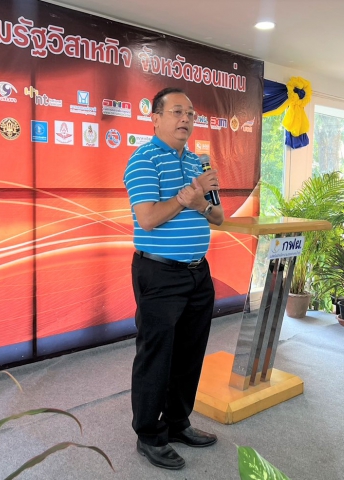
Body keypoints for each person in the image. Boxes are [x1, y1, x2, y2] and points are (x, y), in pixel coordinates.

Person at [123, 87, 224, 470]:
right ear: (155, 118)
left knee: (189, 353)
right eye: (177, 111)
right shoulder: (143, 159)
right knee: (157, 354)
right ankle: (149, 434)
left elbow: (218, 217)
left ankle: (178, 423)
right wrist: (186, 200)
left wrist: (201, 203)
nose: (186, 119)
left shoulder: (199, 164)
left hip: (199, 273)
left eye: (191, 113)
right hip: (160, 273)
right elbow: (148, 219)